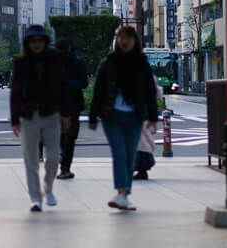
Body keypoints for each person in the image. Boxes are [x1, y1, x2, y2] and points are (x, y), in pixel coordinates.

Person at [88, 25, 159, 211]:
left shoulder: (141, 63)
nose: (124, 41)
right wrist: (93, 116)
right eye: (121, 37)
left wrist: (153, 116)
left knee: (129, 155)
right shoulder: (108, 62)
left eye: (128, 37)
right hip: (112, 116)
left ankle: (124, 195)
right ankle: (121, 193)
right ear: (117, 41)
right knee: (119, 154)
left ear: (135, 41)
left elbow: (149, 91)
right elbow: (99, 90)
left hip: (134, 116)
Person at [10, 24, 73, 212]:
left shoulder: (55, 59)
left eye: (39, 41)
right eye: (33, 41)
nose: (36, 44)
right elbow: (15, 92)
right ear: (27, 43)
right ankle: (35, 198)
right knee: (31, 160)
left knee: (54, 157)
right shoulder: (21, 62)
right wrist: (15, 119)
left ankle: (48, 187)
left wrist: (66, 113)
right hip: (28, 115)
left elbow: (63, 87)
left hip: (51, 113)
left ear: (45, 42)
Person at [54, 38, 88, 179]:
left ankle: (64, 166)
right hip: (68, 104)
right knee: (67, 138)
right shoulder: (75, 61)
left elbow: (84, 82)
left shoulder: (73, 62)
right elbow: (84, 82)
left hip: (66, 104)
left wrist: (64, 84)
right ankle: (65, 167)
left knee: (65, 137)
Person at [133, 75, 163, 180]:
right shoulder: (147, 75)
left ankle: (141, 168)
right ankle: (142, 168)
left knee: (141, 142)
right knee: (143, 141)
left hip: (140, 113)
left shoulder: (138, 76)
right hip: (145, 113)